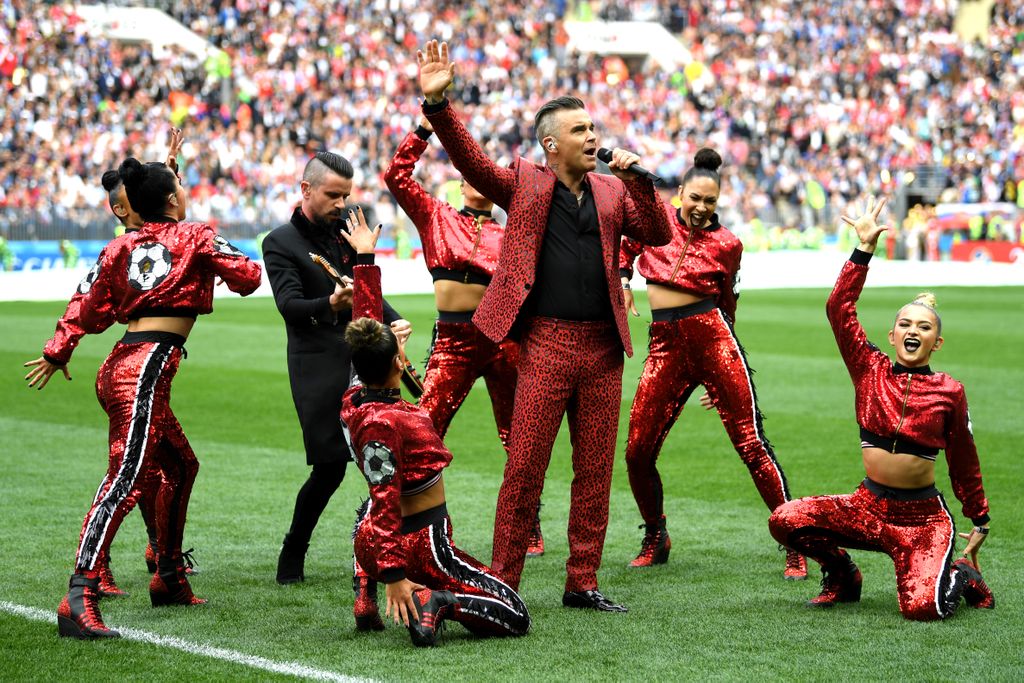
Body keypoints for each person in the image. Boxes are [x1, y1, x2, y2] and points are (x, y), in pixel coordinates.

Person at [417, 40, 672, 611]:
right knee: (525, 464)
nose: (593, 137)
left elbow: (658, 234)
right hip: (547, 341)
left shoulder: (611, 187)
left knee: (594, 470)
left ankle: (582, 580)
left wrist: (640, 180)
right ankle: (504, 579)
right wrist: (439, 106)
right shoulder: (526, 182)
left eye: (593, 127)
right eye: (581, 129)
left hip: (605, 345)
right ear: (552, 143)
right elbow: (472, 164)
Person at [25, 157, 262, 639]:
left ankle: (169, 577)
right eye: (179, 184)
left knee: (179, 466)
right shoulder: (196, 235)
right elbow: (249, 276)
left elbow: (85, 300)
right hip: (146, 368)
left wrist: (58, 349)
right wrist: (207, 262)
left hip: (123, 363)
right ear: (173, 198)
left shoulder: (120, 247)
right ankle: (80, 594)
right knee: (126, 479)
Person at [769, 196, 994, 620]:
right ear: (892, 335)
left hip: (922, 521)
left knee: (922, 610)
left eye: (924, 327)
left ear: (936, 342)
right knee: (786, 519)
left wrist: (978, 517)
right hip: (866, 507)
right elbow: (839, 308)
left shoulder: (949, 390)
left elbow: (965, 458)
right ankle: (842, 575)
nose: (914, 330)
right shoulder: (868, 368)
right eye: (905, 324)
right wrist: (863, 250)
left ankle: (961, 574)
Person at [341, 207, 530, 646]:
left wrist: (365, 260)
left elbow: (363, 326)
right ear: (395, 363)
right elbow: (388, 498)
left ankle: (364, 591)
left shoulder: (353, 398)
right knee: (514, 613)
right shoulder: (395, 421)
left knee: (364, 511)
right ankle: (437, 600)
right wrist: (394, 574)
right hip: (421, 544)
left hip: (370, 542)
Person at [619, 149, 807, 580]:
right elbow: (624, 245)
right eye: (695, 198)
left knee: (751, 444)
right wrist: (623, 279)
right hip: (665, 345)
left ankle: (796, 539)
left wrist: (718, 372)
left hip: (714, 341)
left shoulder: (728, 244)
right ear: (680, 193)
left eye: (711, 201)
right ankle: (655, 535)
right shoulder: (656, 219)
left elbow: (728, 304)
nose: (702, 208)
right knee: (636, 451)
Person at [382, 117, 546, 557]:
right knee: (423, 431)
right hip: (453, 342)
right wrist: (422, 129)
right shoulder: (437, 217)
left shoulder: (515, 233)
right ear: (460, 182)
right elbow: (395, 177)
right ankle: (412, 522)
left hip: (503, 341)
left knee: (519, 437)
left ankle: (529, 524)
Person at [262, 151, 411, 587]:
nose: (341, 203)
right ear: (306, 189)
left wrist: (394, 317)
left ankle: (389, 552)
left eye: (346, 195)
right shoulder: (280, 242)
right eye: (332, 194)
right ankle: (295, 548)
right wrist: (330, 303)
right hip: (319, 366)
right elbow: (289, 307)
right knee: (329, 467)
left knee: (385, 459)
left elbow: (365, 287)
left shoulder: (346, 231)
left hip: (365, 362)